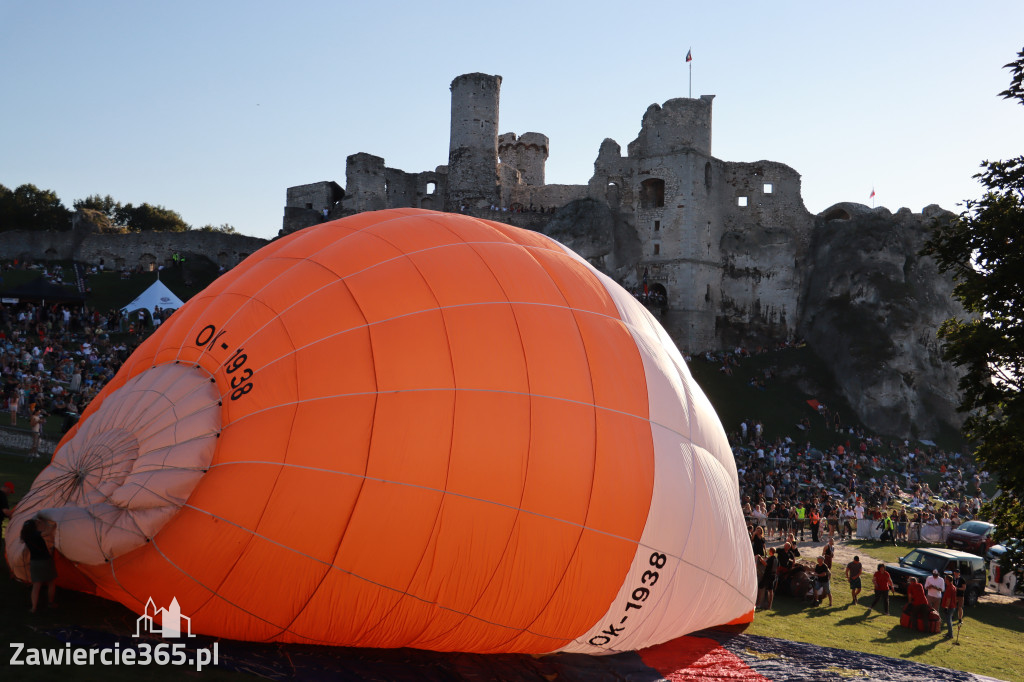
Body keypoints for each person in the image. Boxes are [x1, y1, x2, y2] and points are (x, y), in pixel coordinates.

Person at [19, 518, 57, 612]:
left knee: (36, 586)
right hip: (45, 561)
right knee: (51, 582)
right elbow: (47, 532)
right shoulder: (35, 534)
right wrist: (53, 525)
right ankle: (50, 603)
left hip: (34, 562)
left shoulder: (26, 537)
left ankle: (33, 608)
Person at [941, 572, 957, 638]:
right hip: (952, 606)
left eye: (945, 579)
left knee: (948, 620)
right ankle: (949, 633)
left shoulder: (950, 588)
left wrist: (946, 607)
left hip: (950, 607)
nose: (945, 581)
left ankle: (950, 635)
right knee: (948, 620)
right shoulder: (953, 587)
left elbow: (948, 599)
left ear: (948, 580)